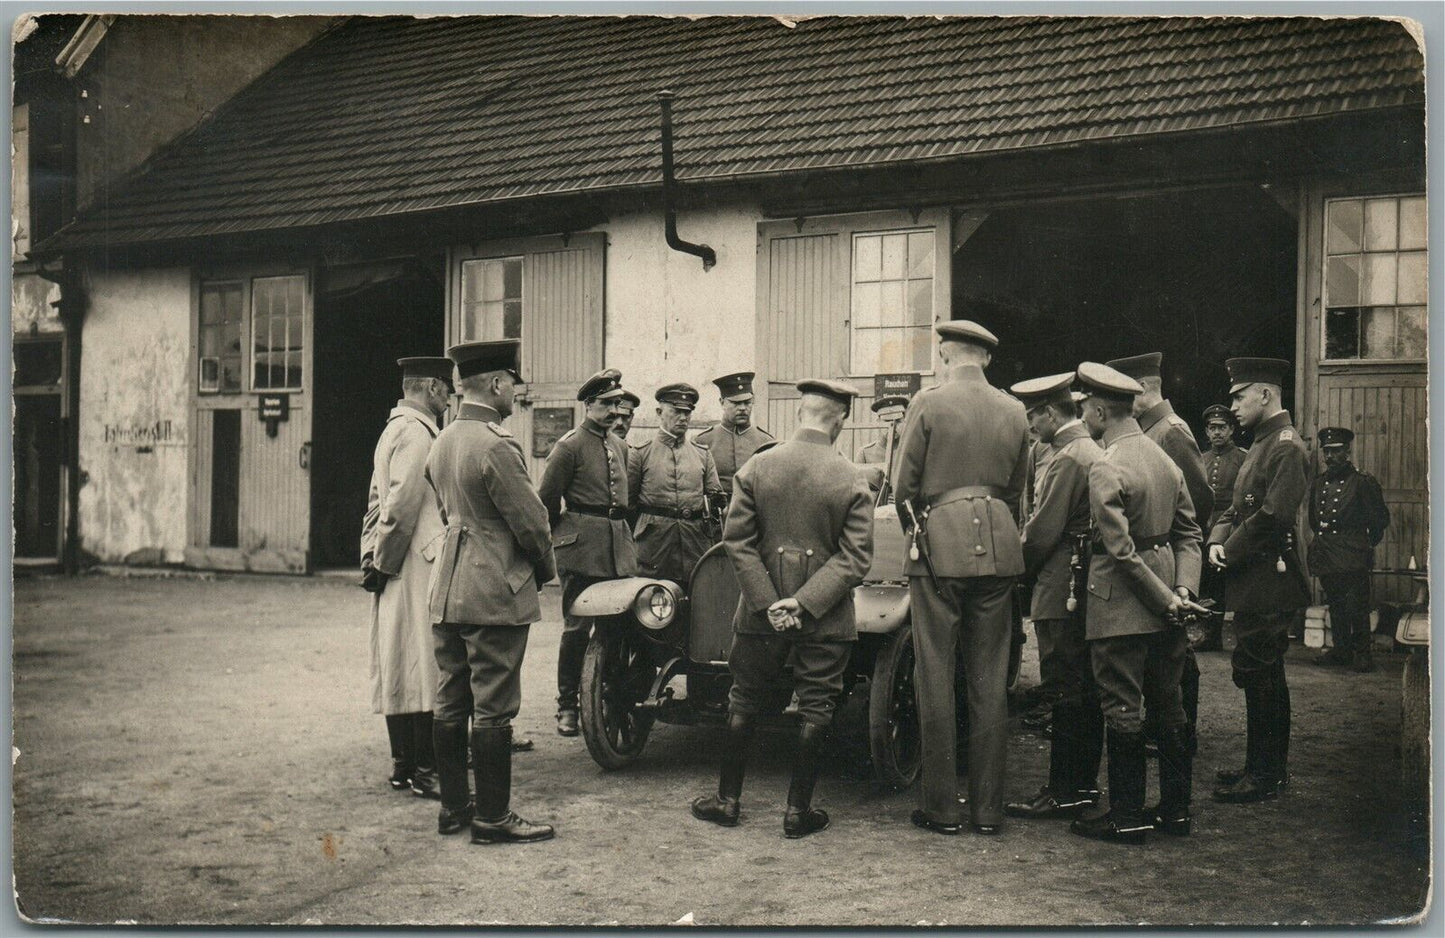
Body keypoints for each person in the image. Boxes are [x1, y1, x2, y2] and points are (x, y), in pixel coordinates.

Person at [690, 378, 874, 838]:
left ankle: (727, 801)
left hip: (759, 615)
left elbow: (737, 541)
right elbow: (855, 558)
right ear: (842, 419)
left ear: (798, 413)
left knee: (744, 697)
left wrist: (769, 603)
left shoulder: (757, 466)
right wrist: (805, 602)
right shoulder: (853, 477)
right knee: (817, 705)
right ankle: (797, 813)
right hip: (826, 616)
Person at [893, 319, 1030, 836]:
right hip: (998, 548)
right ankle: (988, 812)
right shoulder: (1014, 409)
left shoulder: (927, 403)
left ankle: (942, 809)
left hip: (939, 547)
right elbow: (1016, 490)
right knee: (990, 680)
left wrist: (921, 533)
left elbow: (903, 488)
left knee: (934, 674)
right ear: (987, 358)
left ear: (945, 355)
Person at [424, 339, 557, 843]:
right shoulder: (496, 445)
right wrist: (542, 571)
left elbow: (445, 510)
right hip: (493, 590)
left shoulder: (442, 440)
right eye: (512, 384)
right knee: (494, 705)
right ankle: (493, 817)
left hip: (448, 585)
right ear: (497, 383)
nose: (514, 393)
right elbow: (533, 524)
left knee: (451, 698)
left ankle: (455, 808)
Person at [1068, 362, 1203, 845]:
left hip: (1121, 607)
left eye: (1085, 408)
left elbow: (1120, 551)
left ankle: (1127, 817)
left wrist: (1166, 598)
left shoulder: (1106, 465)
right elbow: (1189, 534)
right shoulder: (1163, 459)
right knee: (1169, 704)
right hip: (1168, 604)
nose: (1083, 416)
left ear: (1102, 411)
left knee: (1122, 707)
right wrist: (1181, 592)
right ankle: (1175, 811)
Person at [1207, 357, 1311, 805]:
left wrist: (1228, 551)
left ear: (1265, 394)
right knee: (1259, 670)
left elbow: (1272, 516)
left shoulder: (1286, 446)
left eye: (1239, 396)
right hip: (1256, 576)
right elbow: (1237, 506)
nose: (1233, 407)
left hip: (1270, 578)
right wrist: (1217, 539)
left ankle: (1266, 773)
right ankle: (1260, 766)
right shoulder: (1263, 443)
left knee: (1263, 672)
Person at [1004, 373, 1104, 820]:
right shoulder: (1088, 449)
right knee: (1083, 687)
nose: (1030, 426)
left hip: (1062, 584)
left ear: (1049, 413)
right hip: (1081, 582)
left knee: (1064, 687)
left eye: (1032, 416)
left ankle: (1066, 791)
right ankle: (1080, 786)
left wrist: (1010, 570)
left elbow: (1042, 533)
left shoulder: (1068, 458)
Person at [1106, 352, 1210, 754]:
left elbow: (1195, 505)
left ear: (1143, 389)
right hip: (1150, 567)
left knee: (1178, 659)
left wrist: (1174, 565)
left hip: (1164, 564)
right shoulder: (1150, 430)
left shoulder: (1170, 431)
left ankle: (1182, 735)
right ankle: (1166, 732)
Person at [360, 356, 452, 800]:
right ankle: (425, 771)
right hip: (416, 563)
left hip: (396, 562)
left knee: (398, 658)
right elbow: (399, 507)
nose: (449, 398)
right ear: (432, 387)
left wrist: (372, 559)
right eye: (447, 389)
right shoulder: (417, 432)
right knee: (423, 664)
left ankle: (403, 766)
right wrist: (385, 563)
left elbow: (375, 504)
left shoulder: (393, 429)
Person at [538, 368, 638, 737]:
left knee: (616, 626)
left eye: (618, 404)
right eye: (607, 404)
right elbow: (547, 501)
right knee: (577, 628)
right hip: (581, 550)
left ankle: (606, 697)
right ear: (588, 405)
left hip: (617, 550)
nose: (615, 411)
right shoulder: (569, 446)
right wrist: (565, 538)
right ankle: (567, 704)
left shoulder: (620, 447)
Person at [1309, 426, 1390, 672]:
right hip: (1327, 552)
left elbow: (1379, 520)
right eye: (1326, 451)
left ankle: (1363, 653)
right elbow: (1313, 520)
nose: (1330, 457)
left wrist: (1363, 545)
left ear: (1347, 451)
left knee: (1357, 605)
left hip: (1353, 554)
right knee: (1335, 602)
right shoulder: (1319, 483)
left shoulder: (1362, 481)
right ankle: (1341, 650)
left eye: (1335, 451)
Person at [627, 383, 726, 583]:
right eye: (676, 411)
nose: (682, 418)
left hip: (695, 546)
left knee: (697, 594)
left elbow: (717, 504)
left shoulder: (702, 455)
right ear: (659, 412)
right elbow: (628, 505)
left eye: (687, 412)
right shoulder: (640, 454)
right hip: (653, 549)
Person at [1198, 403, 1248, 651]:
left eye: (1222, 427)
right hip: (1205, 528)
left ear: (1231, 430)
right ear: (1207, 432)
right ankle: (1211, 635)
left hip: (1232, 529)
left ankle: (1242, 637)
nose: (1216, 432)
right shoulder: (1200, 459)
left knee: (1233, 582)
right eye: (1212, 428)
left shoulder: (1243, 458)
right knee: (1209, 583)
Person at [694, 371, 773, 496]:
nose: (742, 408)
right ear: (722, 402)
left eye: (747, 402)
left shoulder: (766, 442)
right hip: (718, 507)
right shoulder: (703, 441)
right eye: (735, 403)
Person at [856, 395, 907, 499]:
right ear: (878, 422)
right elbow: (858, 489)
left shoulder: (912, 450)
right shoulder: (865, 453)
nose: (893, 426)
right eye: (887, 421)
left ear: (905, 421)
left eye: (898, 421)